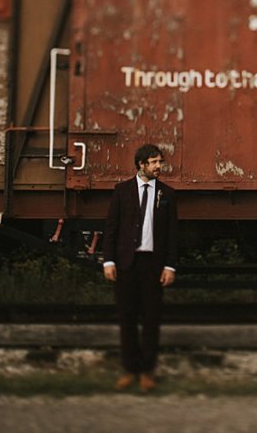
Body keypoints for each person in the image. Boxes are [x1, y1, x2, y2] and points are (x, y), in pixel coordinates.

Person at [102, 143, 179, 392]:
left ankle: (147, 371)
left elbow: (172, 235)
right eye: (154, 162)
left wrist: (169, 266)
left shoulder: (167, 194)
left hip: (153, 265)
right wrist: (109, 261)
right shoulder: (121, 191)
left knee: (151, 319)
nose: (159, 166)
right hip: (126, 263)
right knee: (126, 317)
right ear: (141, 165)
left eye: (160, 162)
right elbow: (111, 228)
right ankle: (130, 369)